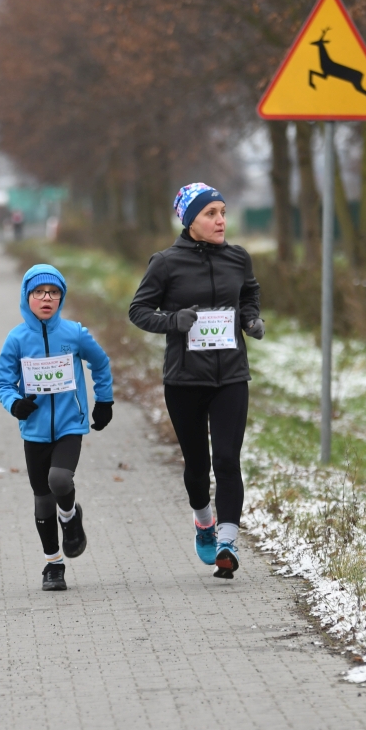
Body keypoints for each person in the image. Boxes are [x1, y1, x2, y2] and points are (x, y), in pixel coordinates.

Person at [129, 183, 264, 579]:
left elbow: (249, 294)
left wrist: (250, 319)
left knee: (227, 460)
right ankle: (204, 522)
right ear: (190, 220)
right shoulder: (165, 263)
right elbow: (138, 310)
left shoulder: (238, 258)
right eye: (210, 213)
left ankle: (227, 543)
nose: (221, 220)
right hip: (185, 380)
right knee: (198, 465)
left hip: (231, 377)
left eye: (222, 212)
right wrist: (173, 321)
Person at [0, 263, 114, 591]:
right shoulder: (17, 339)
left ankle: (70, 517)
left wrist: (104, 401)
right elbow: (3, 383)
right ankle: (53, 564)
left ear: (61, 298)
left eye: (53, 292)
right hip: (34, 430)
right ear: (27, 297)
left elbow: (100, 363)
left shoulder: (74, 333)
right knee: (43, 499)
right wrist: (15, 404)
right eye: (39, 292)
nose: (46, 298)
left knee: (59, 479)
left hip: (69, 425)